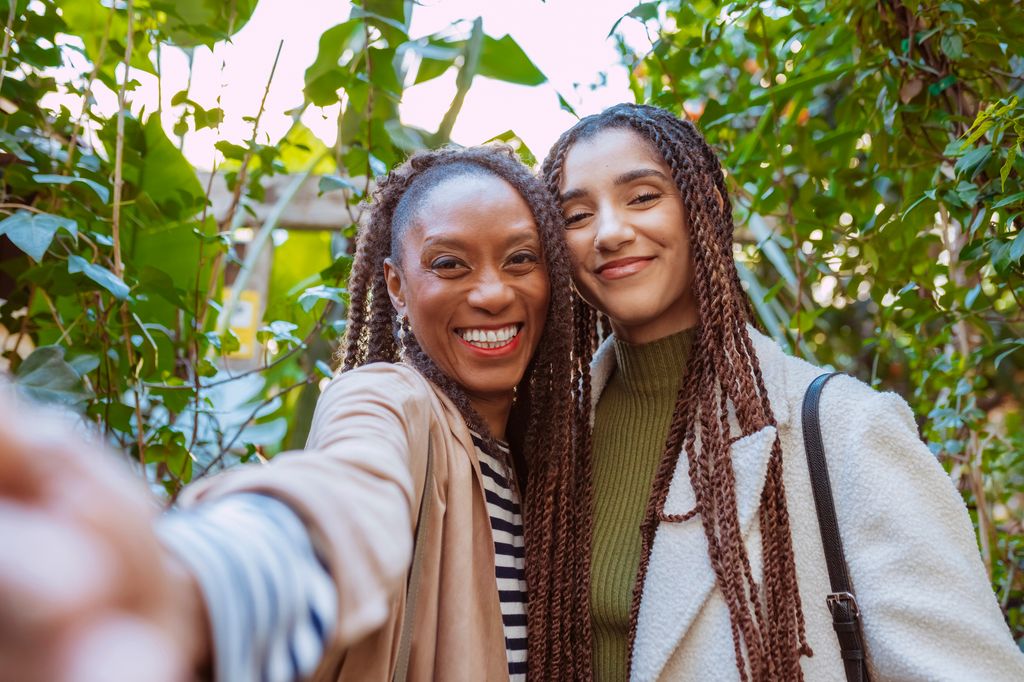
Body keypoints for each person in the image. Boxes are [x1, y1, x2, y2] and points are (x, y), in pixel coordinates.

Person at [0, 144, 577, 682]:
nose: (493, 293)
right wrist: (189, 584)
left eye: (521, 259)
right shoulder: (388, 401)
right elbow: (348, 499)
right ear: (396, 288)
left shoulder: (545, 458)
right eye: (450, 264)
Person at [534, 103, 1024, 681]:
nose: (611, 233)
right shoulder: (550, 441)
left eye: (642, 197)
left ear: (705, 206)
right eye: (576, 215)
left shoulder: (843, 428)